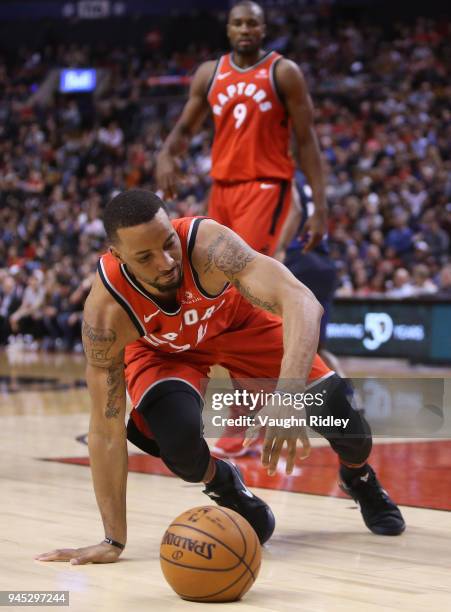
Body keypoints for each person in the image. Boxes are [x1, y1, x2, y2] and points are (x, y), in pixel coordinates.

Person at [35, 190, 405, 565]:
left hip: (242, 325)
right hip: (164, 352)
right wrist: (112, 539)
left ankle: (357, 477)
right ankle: (222, 482)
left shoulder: (208, 244)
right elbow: (104, 430)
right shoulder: (107, 313)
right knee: (178, 447)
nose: (165, 263)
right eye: (145, 257)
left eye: (168, 245)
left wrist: (288, 395)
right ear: (117, 256)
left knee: (349, 428)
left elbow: (301, 300)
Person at [156, 0, 327, 257]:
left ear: (263, 30)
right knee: (217, 278)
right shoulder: (209, 73)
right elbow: (184, 129)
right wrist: (165, 155)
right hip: (222, 188)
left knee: (247, 273)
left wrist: (320, 207)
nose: (245, 29)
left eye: (252, 23)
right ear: (228, 30)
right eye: (238, 24)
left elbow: (306, 142)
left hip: (265, 187)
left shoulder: (283, 72)